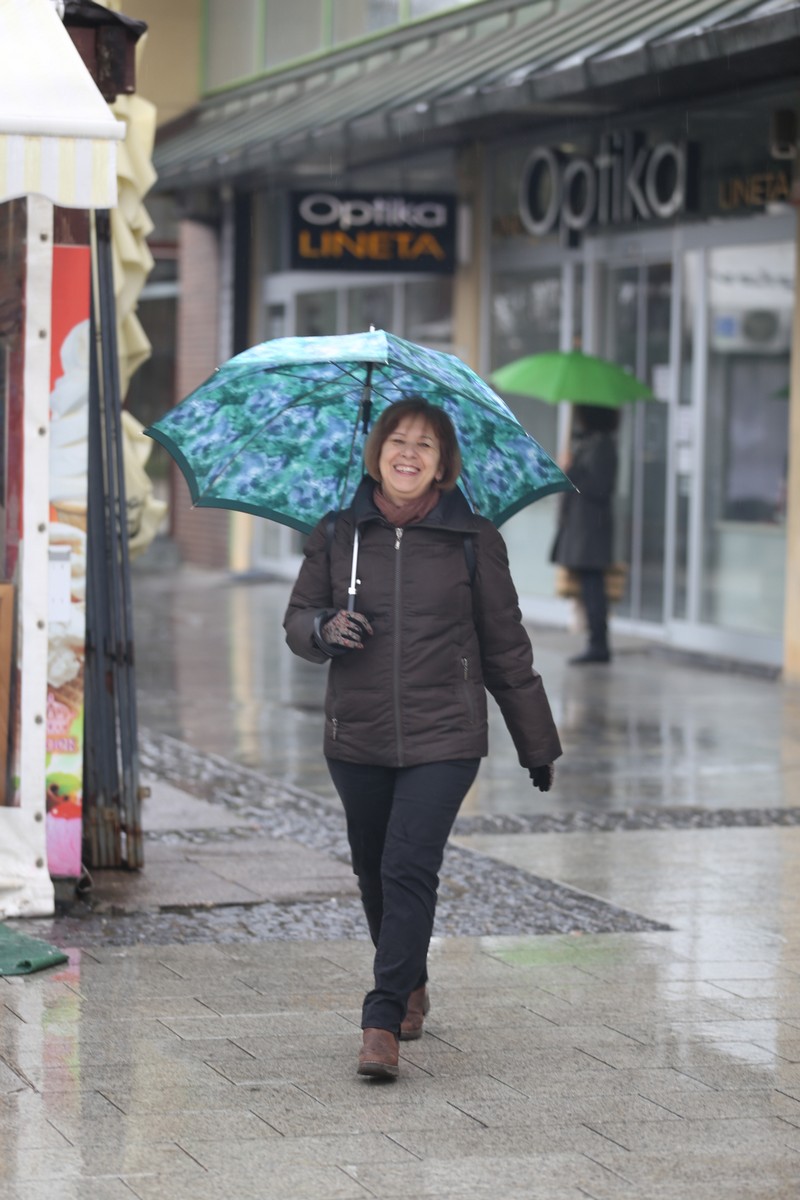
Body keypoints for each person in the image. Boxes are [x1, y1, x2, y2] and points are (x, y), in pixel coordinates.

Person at [283, 397, 562, 1080]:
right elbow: (296, 620)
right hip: (358, 733)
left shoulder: (473, 541)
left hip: (446, 735)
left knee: (410, 866)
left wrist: (537, 740)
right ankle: (410, 979)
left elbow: (505, 645)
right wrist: (325, 631)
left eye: (426, 446)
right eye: (398, 441)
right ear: (377, 451)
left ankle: (380, 1020)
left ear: (443, 465)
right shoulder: (338, 532)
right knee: (374, 869)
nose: (409, 453)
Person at [551, 403, 620, 665]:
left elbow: (600, 486)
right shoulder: (591, 443)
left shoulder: (602, 446)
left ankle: (598, 644)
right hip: (585, 527)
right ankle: (595, 641)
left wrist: (572, 469)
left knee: (594, 587)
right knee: (590, 586)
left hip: (592, 528)